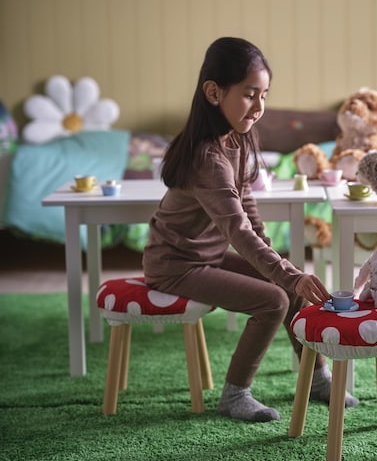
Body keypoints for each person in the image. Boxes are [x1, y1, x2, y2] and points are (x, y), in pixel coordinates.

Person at [143, 37, 358, 423]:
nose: (259, 108)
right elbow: (238, 230)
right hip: (175, 265)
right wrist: (286, 274)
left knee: (288, 286)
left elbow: (248, 206)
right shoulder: (206, 157)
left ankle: (317, 378)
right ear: (213, 92)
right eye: (249, 95)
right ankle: (235, 394)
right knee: (274, 298)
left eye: (264, 95)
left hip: (205, 257)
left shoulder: (239, 137)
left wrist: (277, 263)